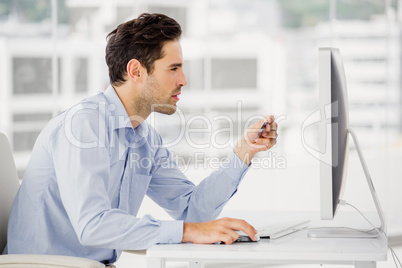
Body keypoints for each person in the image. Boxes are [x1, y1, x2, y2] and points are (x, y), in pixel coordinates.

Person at [5, 13, 278, 264]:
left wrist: (243, 152)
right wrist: (188, 232)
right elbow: (92, 226)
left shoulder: (144, 138)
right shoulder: (84, 126)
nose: (183, 80)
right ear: (136, 71)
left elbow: (191, 212)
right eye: (173, 68)